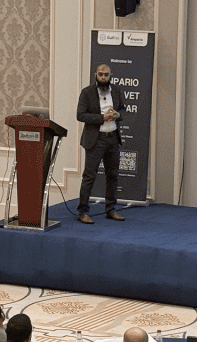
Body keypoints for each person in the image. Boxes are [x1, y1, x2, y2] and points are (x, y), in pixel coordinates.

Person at [76, 63, 126, 224]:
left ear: (111, 76)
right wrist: (101, 117)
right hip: (95, 140)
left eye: (106, 75)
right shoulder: (87, 92)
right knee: (89, 176)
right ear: (95, 75)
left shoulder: (116, 90)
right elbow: (80, 115)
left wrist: (118, 115)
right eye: (100, 74)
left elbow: (123, 110)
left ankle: (111, 209)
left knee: (113, 175)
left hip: (113, 139)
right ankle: (83, 212)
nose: (103, 77)